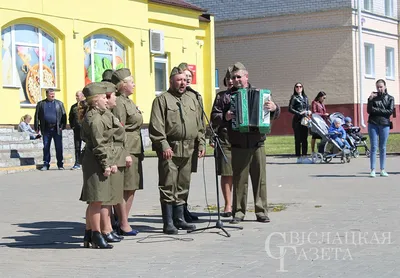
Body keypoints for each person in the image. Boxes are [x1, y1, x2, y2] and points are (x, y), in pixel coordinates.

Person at [149, 67, 205, 234]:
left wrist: (201, 143)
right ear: (171, 81)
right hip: (170, 150)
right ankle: (168, 223)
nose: (183, 83)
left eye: (185, 80)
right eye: (179, 80)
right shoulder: (162, 100)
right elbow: (156, 126)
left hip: (189, 148)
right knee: (168, 185)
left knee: (183, 185)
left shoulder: (192, 99)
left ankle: (180, 219)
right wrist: (163, 145)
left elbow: (200, 124)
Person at [224, 62, 280, 224]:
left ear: (246, 77)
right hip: (238, 144)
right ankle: (239, 212)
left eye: (238, 77)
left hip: (257, 143)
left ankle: (261, 211)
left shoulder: (261, 94)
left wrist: (274, 107)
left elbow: (276, 113)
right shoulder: (226, 97)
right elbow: (216, 116)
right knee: (239, 180)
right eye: (233, 77)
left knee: (259, 179)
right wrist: (226, 116)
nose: (235, 80)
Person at [79, 82, 117, 249]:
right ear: (95, 101)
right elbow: (99, 144)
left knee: (96, 199)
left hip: (95, 159)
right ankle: (96, 234)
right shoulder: (94, 119)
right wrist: (106, 164)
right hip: (95, 160)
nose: (106, 100)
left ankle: (89, 233)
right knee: (96, 200)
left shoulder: (99, 115)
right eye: (103, 97)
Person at [111, 68, 144, 236]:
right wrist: (125, 153)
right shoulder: (119, 103)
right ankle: (123, 224)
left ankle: (122, 220)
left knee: (131, 187)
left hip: (135, 148)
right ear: (123, 85)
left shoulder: (128, 101)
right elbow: (119, 130)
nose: (134, 84)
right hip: (127, 149)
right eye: (131, 82)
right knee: (124, 187)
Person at [177, 62, 206, 222]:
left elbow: (200, 122)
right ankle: (177, 212)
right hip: (178, 146)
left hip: (192, 144)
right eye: (184, 77)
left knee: (186, 179)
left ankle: (184, 208)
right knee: (177, 180)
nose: (187, 80)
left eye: (189, 77)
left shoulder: (196, 96)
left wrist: (201, 142)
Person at [210, 66, 234, 217]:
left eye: (234, 78)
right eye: (229, 78)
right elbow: (214, 116)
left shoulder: (247, 94)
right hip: (225, 139)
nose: (231, 81)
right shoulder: (221, 96)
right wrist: (225, 116)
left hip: (243, 140)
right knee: (226, 173)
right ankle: (228, 205)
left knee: (240, 174)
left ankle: (239, 205)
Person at [367, 79, 394, 178]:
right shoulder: (373, 97)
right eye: (378, 87)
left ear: (385, 87)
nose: (379, 88)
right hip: (373, 123)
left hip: (384, 124)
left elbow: (389, 111)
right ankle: (373, 170)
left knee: (382, 147)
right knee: (374, 147)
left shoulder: (390, 98)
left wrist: (376, 110)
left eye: (381, 86)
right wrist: (370, 100)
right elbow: (369, 110)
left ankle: (382, 169)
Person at [34, 88, 67, 170]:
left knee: (59, 147)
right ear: (47, 95)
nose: (52, 96)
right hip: (46, 129)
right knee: (46, 147)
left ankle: (60, 164)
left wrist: (62, 126)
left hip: (56, 128)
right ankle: (46, 164)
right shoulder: (41, 104)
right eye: (50, 94)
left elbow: (64, 115)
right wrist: (36, 127)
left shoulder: (59, 103)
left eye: (53, 94)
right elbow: (37, 116)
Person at [288, 82, 311, 163]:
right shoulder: (294, 97)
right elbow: (290, 109)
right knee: (298, 139)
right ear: (295, 88)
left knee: (305, 138)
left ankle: (304, 156)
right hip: (297, 121)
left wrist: (309, 111)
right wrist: (298, 113)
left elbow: (308, 107)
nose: (298, 88)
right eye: (297, 87)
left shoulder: (305, 97)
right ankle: (298, 157)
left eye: (300, 86)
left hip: (305, 120)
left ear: (302, 88)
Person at [69, 90, 85, 170]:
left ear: (82, 96)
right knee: (77, 147)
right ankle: (77, 163)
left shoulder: (86, 105)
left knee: (88, 146)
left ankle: (87, 162)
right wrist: (73, 126)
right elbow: (70, 117)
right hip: (77, 130)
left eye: (77, 96)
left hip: (86, 130)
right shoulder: (73, 107)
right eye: (76, 96)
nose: (76, 97)